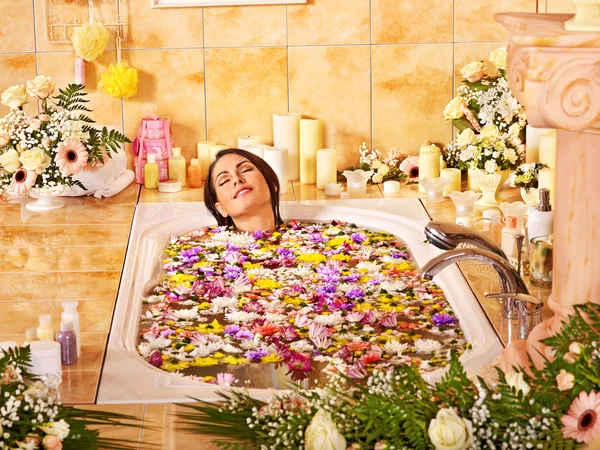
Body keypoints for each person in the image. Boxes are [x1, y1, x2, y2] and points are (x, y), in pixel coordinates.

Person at [204, 148, 284, 232]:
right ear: (220, 208)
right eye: (225, 181)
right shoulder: (203, 242)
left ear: (271, 183)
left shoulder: (298, 238)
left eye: (246, 170)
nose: (236, 179)